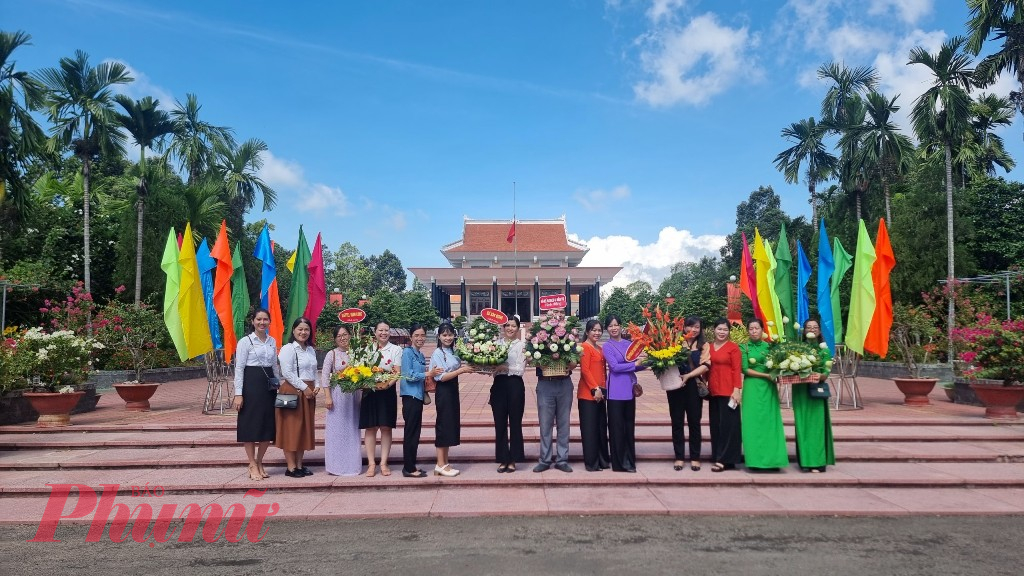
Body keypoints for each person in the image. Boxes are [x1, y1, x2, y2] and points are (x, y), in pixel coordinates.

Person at [232, 308, 277, 481]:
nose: (262, 322)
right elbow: (239, 368)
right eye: (259, 319)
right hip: (250, 386)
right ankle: (251, 463)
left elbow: (274, 366)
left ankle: (259, 461)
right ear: (253, 321)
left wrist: (277, 385)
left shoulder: (272, 341)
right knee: (250, 425)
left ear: (269, 322)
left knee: (267, 426)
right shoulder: (245, 342)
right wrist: (238, 394)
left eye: (265, 319)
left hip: (268, 387)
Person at [740, 318, 789, 470]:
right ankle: (755, 461)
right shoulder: (743, 347)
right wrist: (767, 376)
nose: (754, 331)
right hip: (752, 387)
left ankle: (774, 460)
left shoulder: (771, 347)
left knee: (770, 422)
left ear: (762, 330)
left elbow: (778, 366)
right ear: (748, 331)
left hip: (769, 389)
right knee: (752, 423)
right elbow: (745, 369)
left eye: (757, 328)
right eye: (751, 329)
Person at [533, 308, 577, 474]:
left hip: (564, 383)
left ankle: (562, 459)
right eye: (552, 314)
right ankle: (544, 460)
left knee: (564, 423)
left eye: (559, 313)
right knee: (545, 424)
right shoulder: (538, 336)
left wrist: (569, 364)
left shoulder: (569, 337)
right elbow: (533, 361)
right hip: (545, 384)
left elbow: (574, 361)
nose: (555, 316)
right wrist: (539, 360)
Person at [359, 321, 403, 477]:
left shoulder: (396, 349)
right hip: (369, 392)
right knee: (370, 428)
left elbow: (397, 371)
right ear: (375, 332)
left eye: (386, 330)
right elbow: (360, 370)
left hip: (387, 392)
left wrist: (387, 385)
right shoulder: (366, 349)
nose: (383, 333)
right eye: (380, 330)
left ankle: (384, 462)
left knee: (386, 427)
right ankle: (371, 464)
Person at [430, 321, 474, 476]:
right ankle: (439, 464)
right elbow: (441, 377)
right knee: (443, 425)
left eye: (450, 334)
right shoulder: (438, 353)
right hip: (444, 390)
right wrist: (461, 370)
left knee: (449, 425)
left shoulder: (453, 351)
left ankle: (445, 462)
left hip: (453, 389)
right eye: (444, 335)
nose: (447, 338)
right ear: (439, 336)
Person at [319, 324, 363, 476]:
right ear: (335, 339)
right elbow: (324, 376)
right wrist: (328, 397)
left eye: (345, 334)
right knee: (336, 431)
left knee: (352, 429)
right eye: (339, 336)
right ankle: (335, 466)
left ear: (350, 335)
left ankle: (352, 465)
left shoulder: (356, 353)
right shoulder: (332, 354)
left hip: (353, 396)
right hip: (337, 396)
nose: (343, 338)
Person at [793, 319, 835, 473]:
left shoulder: (824, 350)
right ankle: (805, 460)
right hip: (800, 390)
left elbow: (825, 372)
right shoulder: (797, 348)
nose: (812, 329)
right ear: (804, 331)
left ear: (819, 330)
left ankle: (817, 462)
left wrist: (820, 375)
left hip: (816, 391)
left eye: (815, 327)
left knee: (816, 426)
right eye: (808, 327)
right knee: (802, 424)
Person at [277, 316, 317, 478]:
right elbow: (286, 373)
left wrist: (317, 386)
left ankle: (300, 465)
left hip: (308, 392)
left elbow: (315, 371)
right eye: (300, 329)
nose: (303, 332)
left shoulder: (310, 349)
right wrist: (305, 387)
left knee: (304, 429)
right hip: (292, 391)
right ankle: (291, 466)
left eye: (306, 329)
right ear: (293, 331)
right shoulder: (288, 349)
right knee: (291, 429)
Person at [602, 314, 642, 473]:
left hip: (629, 389)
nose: (614, 328)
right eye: (610, 326)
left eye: (616, 325)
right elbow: (615, 367)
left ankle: (630, 460)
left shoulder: (629, 344)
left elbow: (636, 366)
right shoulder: (607, 346)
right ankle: (619, 463)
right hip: (615, 391)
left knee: (628, 426)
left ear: (620, 326)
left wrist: (653, 360)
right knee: (616, 427)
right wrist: (634, 364)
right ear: (607, 329)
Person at [400, 323, 440, 478]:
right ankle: (408, 468)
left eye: (422, 335)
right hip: (410, 397)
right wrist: (427, 374)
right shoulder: (407, 353)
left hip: (418, 397)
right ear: (411, 337)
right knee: (411, 432)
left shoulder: (421, 355)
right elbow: (408, 375)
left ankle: (412, 464)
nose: (420, 338)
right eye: (416, 335)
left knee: (416, 432)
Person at [673, 315, 709, 471]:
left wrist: (688, 375)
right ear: (684, 327)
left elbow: (706, 365)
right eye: (690, 326)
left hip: (694, 387)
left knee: (694, 422)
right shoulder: (675, 342)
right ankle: (679, 457)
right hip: (675, 387)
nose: (693, 330)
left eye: (697, 327)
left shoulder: (703, 345)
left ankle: (695, 457)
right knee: (677, 422)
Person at [707, 318, 743, 472]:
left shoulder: (733, 348)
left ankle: (726, 459)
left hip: (729, 392)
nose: (722, 332)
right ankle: (717, 454)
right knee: (716, 425)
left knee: (730, 426)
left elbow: (736, 370)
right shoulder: (708, 347)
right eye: (719, 329)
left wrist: (737, 390)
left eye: (725, 330)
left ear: (729, 332)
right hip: (713, 391)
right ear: (714, 330)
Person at [491, 315, 527, 473]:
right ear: (503, 328)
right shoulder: (495, 344)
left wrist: (505, 369)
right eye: (507, 326)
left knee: (515, 422)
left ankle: (513, 459)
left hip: (515, 384)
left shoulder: (523, 346)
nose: (510, 329)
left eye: (513, 326)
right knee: (500, 423)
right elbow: (491, 367)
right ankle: (503, 459)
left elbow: (520, 369)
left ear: (518, 328)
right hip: (498, 385)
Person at [577, 319, 611, 472]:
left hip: (601, 393)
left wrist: (602, 390)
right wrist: (594, 388)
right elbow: (585, 371)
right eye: (594, 330)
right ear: (587, 332)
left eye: (599, 330)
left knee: (600, 428)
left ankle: (603, 460)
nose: (597, 333)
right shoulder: (584, 347)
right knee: (590, 429)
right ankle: (591, 462)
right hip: (588, 394)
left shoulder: (600, 348)